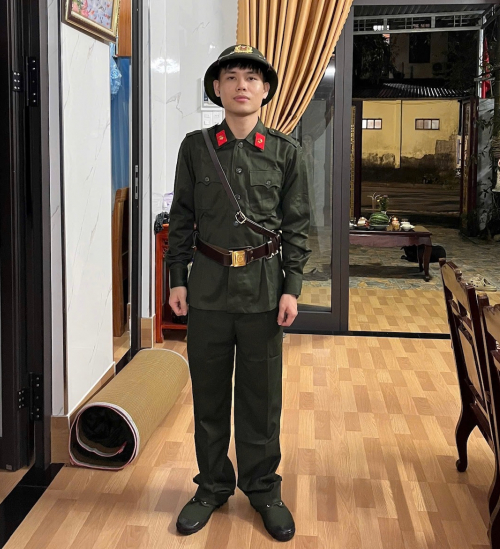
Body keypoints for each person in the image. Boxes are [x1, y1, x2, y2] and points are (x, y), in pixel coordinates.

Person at [166, 44, 310, 542]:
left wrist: (292, 288)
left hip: (264, 293)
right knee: (208, 397)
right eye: (231, 77)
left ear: (265, 89)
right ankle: (211, 487)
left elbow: (297, 226)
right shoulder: (196, 147)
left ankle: (264, 489)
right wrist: (176, 277)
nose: (241, 85)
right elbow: (182, 217)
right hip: (206, 291)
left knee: (261, 398)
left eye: (251, 77)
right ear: (217, 88)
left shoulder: (286, 152)